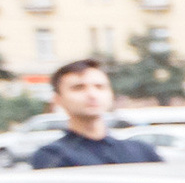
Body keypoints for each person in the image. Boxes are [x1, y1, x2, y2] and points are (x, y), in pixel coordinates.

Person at [28, 59, 159, 169]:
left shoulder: (142, 152)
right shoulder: (52, 156)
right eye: (78, 88)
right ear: (58, 100)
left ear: (111, 94)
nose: (92, 95)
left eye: (99, 87)